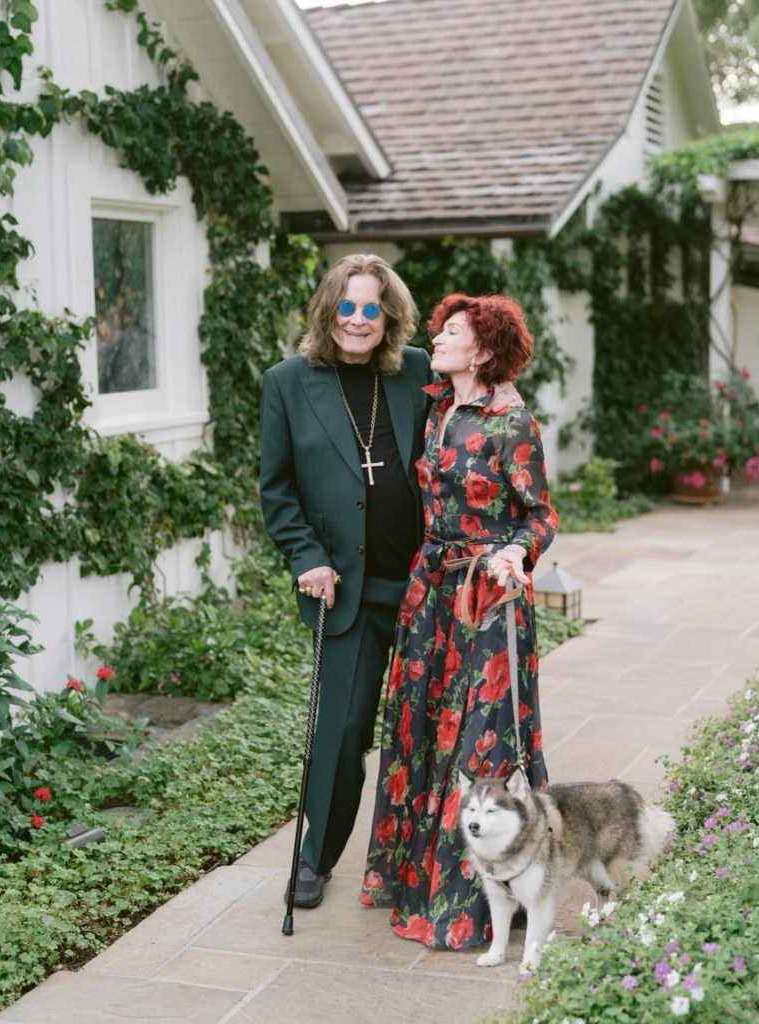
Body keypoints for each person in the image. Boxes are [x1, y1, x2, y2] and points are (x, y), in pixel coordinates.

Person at [359, 291, 559, 949]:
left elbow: (541, 515)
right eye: (439, 330)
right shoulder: (438, 410)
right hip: (434, 592)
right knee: (422, 727)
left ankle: (474, 898)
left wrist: (515, 552)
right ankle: (415, 879)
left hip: (489, 595)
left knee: (481, 738)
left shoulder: (511, 423)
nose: (436, 339)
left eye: (451, 332)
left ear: (482, 350)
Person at [259, 253, 434, 909]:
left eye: (372, 309)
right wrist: (305, 556)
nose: (358, 320)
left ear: (389, 318)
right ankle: (315, 857)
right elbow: (277, 488)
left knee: (432, 726)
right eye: (347, 306)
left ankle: (432, 859)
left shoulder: (417, 371)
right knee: (343, 727)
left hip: (421, 585)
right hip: (344, 590)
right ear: (327, 309)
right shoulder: (286, 382)